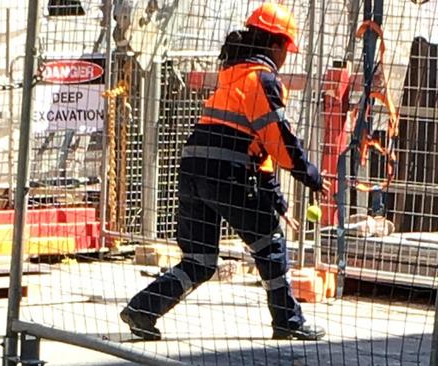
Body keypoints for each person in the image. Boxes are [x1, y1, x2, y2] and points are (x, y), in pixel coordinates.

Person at [121, 2, 330, 341]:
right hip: (225, 172)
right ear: (275, 44)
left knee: (200, 260)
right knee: (270, 244)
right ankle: (288, 322)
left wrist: (276, 200)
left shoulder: (231, 75)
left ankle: (142, 310)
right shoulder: (262, 80)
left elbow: (255, 150)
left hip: (193, 168)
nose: (286, 57)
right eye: (286, 49)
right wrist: (310, 175)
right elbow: (279, 140)